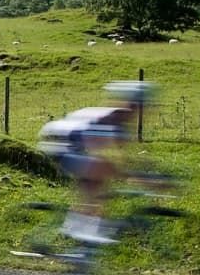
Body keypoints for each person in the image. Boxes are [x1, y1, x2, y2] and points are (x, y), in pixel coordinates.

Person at [37, 81, 155, 245]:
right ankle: (84, 232)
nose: (140, 112)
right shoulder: (115, 119)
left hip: (64, 146)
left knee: (95, 189)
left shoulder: (116, 119)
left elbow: (128, 160)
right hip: (60, 145)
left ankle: (74, 237)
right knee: (105, 168)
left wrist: (145, 176)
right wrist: (151, 182)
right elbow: (123, 165)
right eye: (139, 107)